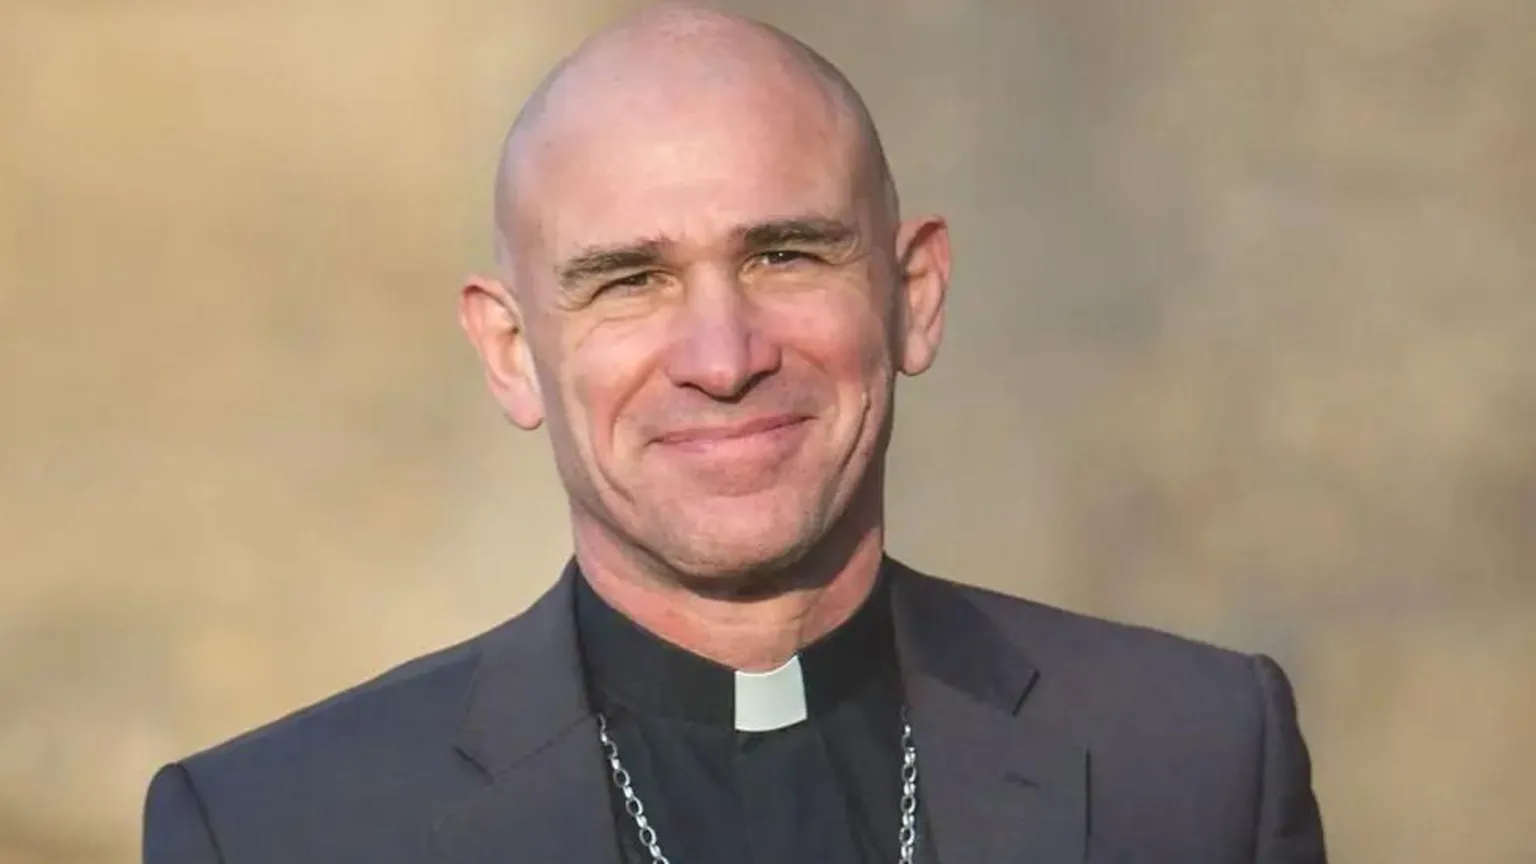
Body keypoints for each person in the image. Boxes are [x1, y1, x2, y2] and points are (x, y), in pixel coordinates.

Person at [141, 4, 1328, 863]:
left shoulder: (1193, 760)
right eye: (629, 281)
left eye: (786, 254)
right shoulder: (272, 830)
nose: (724, 357)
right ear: (513, 354)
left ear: (914, 294)